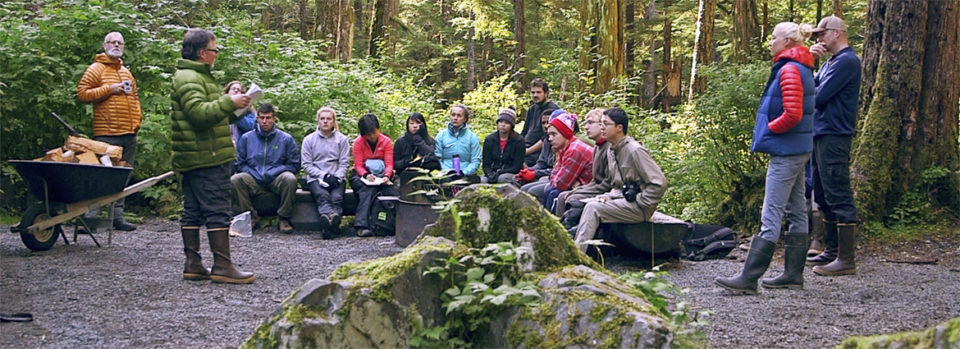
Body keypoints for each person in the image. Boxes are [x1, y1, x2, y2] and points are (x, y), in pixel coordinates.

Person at [715, 22, 816, 294]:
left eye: (773, 38)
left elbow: (793, 114)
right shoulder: (799, 66)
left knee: (771, 214)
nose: (770, 42)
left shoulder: (791, 69)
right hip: (797, 149)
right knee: (797, 211)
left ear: (787, 41)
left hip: (787, 151)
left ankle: (748, 279)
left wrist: (770, 129)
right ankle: (793, 276)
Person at [171, 28, 254, 284]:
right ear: (203, 53)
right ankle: (222, 265)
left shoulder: (196, 77)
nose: (216, 54)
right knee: (217, 209)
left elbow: (210, 114)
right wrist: (229, 102)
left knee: (193, 210)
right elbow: (198, 114)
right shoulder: (190, 78)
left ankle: (193, 264)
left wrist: (236, 108)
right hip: (207, 156)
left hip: (197, 155)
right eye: (214, 49)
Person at [805, 15, 861, 276]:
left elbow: (819, 96)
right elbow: (813, 86)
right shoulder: (830, 63)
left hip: (835, 134)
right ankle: (831, 250)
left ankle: (846, 259)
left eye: (822, 34)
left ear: (837, 33)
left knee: (837, 190)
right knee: (822, 191)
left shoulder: (848, 61)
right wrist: (809, 63)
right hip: (821, 132)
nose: (819, 39)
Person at [573, 108, 667, 253]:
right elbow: (617, 184)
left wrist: (642, 202)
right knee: (590, 203)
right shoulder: (612, 150)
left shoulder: (634, 150)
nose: (602, 127)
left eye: (606, 124)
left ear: (619, 128)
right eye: (601, 123)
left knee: (593, 208)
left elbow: (659, 183)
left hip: (639, 208)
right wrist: (608, 196)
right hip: (623, 200)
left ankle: (577, 254)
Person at [76, 31, 142, 232]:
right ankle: (89, 219)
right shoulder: (96, 69)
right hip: (107, 132)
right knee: (101, 177)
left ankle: (117, 218)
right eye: (112, 42)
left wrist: (138, 120)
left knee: (123, 175)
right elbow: (82, 93)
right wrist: (109, 89)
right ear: (104, 45)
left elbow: (135, 97)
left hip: (128, 133)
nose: (116, 45)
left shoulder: (126, 72)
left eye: (119, 43)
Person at [231, 103, 301, 233]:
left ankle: (284, 218)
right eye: (262, 118)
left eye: (268, 118)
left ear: (274, 118)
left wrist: (274, 172)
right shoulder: (247, 138)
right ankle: (250, 216)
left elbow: (294, 165)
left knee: (290, 179)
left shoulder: (286, 139)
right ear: (257, 118)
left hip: (276, 178)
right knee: (236, 179)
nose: (265, 121)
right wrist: (254, 173)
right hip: (253, 177)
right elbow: (240, 163)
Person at [557, 108, 612, 229]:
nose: (586, 127)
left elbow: (608, 183)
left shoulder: (609, 148)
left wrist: (580, 191)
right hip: (595, 187)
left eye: (590, 123)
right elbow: (595, 179)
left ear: (602, 125)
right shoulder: (598, 147)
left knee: (572, 199)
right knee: (562, 196)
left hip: (608, 193)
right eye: (585, 123)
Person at [301, 107, 350, 234]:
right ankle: (331, 222)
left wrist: (337, 177)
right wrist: (324, 175)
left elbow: (344, 162)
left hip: (337, 177)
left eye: (328, 119)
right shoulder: (309, 140)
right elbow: (306, 164)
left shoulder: (342, 140)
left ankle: (328, 224)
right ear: (318, 121)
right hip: (316, 177)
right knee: (323, 196)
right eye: (322, 119)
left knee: (336, 197)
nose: (325, 122)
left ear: (334, 121)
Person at [349, 113, 399, 237]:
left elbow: (389, 163)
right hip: (362, 176)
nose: (371, 136)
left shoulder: (386, 142)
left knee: (393, 191)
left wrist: (387, 176)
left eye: (373, 132)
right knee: (368, 190)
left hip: (382, 176)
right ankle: (361, 225)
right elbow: (358, 165)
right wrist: (366, 175)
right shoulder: (358, 143)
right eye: (368, 134)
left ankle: (391, 224)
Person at [541, 110, 593, 210]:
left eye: (554, 134)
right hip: (579, 184)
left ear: (564, 133)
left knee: (554, 193)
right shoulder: (565, 147)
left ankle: (553, 223)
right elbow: (554, 174)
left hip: (589, 188)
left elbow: (561, 184)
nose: (550, 139)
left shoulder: (574, 149)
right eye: (549, 135)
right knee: (549, 189)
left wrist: (561, 180)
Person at [394, 112, 441, 199]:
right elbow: (395, 164)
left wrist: (420, 142)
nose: (415, 126)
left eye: (418, 123)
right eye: (412, 123)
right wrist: (408, 162)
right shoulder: (400, 142)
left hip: (426, 177)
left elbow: (434, 159)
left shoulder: (430, 141)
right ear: (407, 125)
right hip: (404, 176)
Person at [434, 104, 482, 183]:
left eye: (459, 116)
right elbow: (437, 159)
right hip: (445, 175)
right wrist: (448, 172)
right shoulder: (441, 136)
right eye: (453, 115)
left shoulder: (472, 137)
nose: (455, 118)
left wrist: (464, 172)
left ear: (465, 119)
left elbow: (475, 161)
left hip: (466, 174)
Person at [520, 78, 560, 167]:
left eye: (538, 92)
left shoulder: (553, 110)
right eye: (533, 92)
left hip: (539, 153)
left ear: (546, 93)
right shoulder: (532, 109)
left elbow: (547, 138)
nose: (535, 95)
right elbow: (524, 131)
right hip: (526, 148)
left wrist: (527, 151)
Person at [518, 109, 557, 198]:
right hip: (544, 173)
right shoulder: (546, 140)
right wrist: (529, 171)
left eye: (549, 122)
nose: (546, 125)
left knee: (531, 190)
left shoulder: (562, 142)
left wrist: (534, 174)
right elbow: (541, 163)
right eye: (543, 123)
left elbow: (557, 170)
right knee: (516, 180)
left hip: (550, 177)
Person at [482, 107, 525, 184]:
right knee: (482, 181)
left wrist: (500, 172)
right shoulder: (489, 139)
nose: (503, 125)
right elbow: (486, 164)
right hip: (492, 171)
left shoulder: (519, 141)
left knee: (502, 179)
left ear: (511, 125)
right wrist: (489, 174)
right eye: (501, 121)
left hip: (510, 172)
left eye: (507, 122)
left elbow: (517, 166)